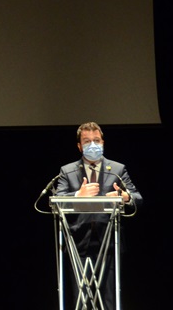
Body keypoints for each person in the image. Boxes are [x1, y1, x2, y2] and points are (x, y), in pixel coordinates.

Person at [53, 121, 142, 310]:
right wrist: (78, 195)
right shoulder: (67, 171)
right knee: (81, 297)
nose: (93, 145)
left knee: (109, 297)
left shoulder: (117, 170)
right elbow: (57, 198)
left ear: (103, 142)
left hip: (108, 241)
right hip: (77, 242)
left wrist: (124, 196)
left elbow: (136, 197)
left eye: (96, 140)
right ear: (79, 146)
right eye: (87, 142)